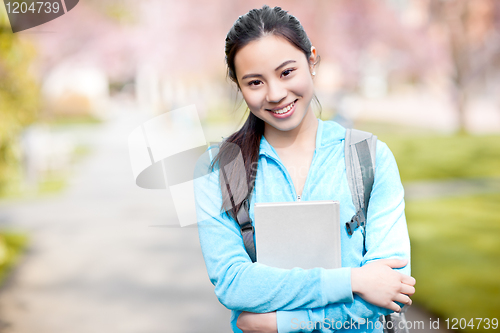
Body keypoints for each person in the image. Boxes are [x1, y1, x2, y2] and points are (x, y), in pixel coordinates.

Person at [194, 5, 415, 333]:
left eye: (286, 72)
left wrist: (283, 323)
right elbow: (233, 282)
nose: (276, 94)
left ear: (312, 60)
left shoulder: (368, 157)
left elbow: (388, 290)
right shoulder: (219, 169)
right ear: (238, 86)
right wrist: (352, 279)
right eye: (255, 82)